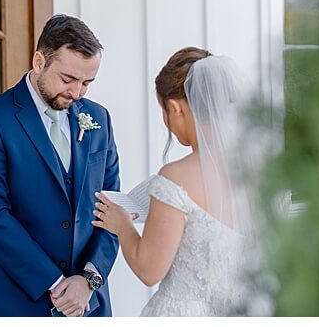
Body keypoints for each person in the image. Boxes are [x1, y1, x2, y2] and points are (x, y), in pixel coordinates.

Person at [0, 14, 121, 316]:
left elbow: (113, 208)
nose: (76, 93)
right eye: (68, 79)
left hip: (87, 304)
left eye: (87, 83)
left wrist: (88, 280)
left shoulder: (99, 119)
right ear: (39, 61)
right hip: (14, 301)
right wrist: (56, 283)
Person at [93, 47, 254, 316]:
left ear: (175, 107)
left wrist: (122, 224)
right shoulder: (258, 170)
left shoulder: (176, 177)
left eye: (164, 110)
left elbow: (149, 269)